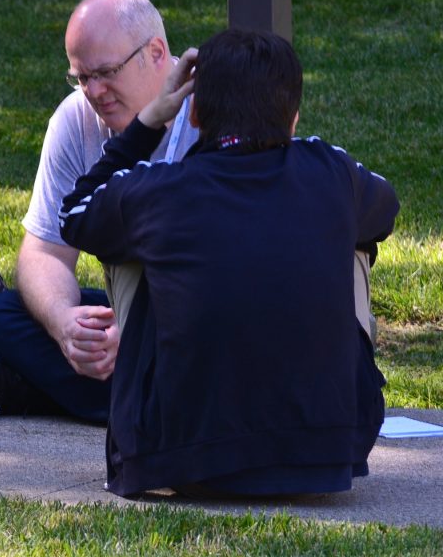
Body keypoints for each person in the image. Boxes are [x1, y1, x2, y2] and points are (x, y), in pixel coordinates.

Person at [59, 28, 398, 496]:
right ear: (293, 118)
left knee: (118, 237)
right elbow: (388, 209)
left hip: (172, 458)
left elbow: (75, 213)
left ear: (194, 112)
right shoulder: (333, 172)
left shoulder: (157, 189)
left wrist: (150, 121)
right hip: (325, 454)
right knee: (356, 237)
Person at [0, 0, 198, 422]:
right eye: (82, 77)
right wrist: (67, 326)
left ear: (157, 52)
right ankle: (134, 398)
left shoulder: (208, 114)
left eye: (107, 72)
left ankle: (46, 392)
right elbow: (44, 252)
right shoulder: (75, 119)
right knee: (5, 315)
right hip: (133, 310)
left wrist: (136, 331)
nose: (94, 90)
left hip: (201, 316)